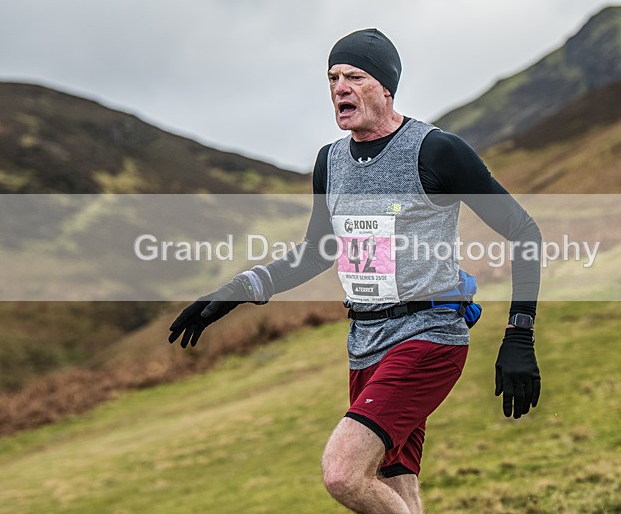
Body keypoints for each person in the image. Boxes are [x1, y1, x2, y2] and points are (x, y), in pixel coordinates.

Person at [169, 28, 542, 514]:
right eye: (332, 77)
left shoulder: (436, 151)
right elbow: (317, 251)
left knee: (342, 473)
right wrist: (236, 291)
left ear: (386, 88)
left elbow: (524, 230)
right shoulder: (330, 162)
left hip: (428, 336)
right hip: (364, 344)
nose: (340, 87)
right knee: (396, 490)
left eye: (354, 76)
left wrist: (520, 334)